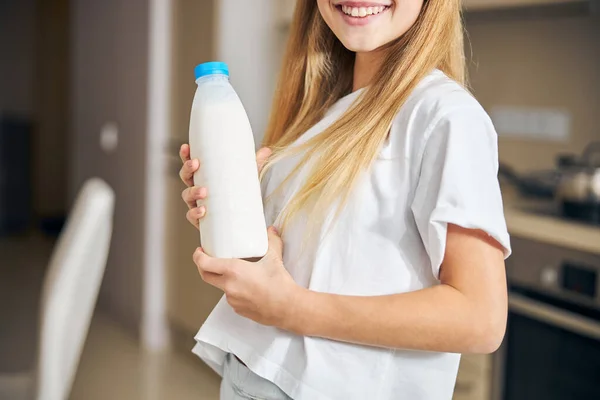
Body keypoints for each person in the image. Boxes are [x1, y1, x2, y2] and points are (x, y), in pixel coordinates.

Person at [178, 1, 511, 399]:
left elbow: (481, 318)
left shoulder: (445, 117)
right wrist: (233, 214)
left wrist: (292, 308)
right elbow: (319, 261)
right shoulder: (323, 114)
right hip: (252, 375)